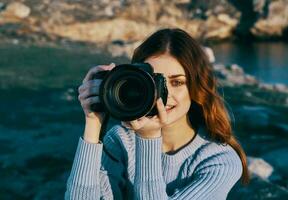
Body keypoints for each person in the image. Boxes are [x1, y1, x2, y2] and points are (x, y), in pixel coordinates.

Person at [65, 28, 249, 200]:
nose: (164, 94)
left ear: (196, 88)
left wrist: (148, 139)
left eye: (176, 82)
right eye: (154, 81)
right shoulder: (121, 141)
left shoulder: (220, 161)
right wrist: (93, 123)